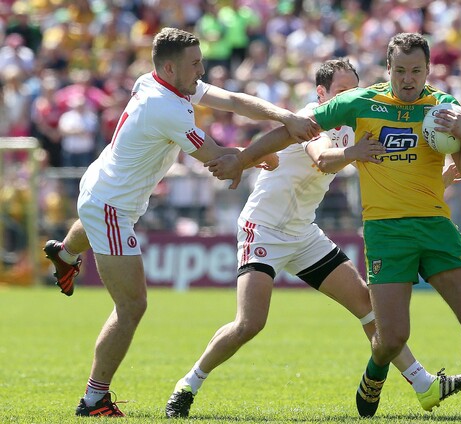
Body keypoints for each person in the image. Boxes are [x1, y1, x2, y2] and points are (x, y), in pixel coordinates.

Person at [209, 33, 461, 420]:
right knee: (392, 337)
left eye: (416, 71)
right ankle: (375, 371)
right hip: (386, 232)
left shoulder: (443, 108)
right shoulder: (360, 102)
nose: (408, 79)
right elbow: (294, 130)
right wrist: (243, 158)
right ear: (387, 69)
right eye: (400, 71)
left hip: (436, 226)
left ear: (428, 70)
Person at [42, 27, 319, 417]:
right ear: (170, 68)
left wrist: (284, 115)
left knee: (93, 223)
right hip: (111, 207)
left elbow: (231, 99)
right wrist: (255, 156)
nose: (201, 69)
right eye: (195, 64)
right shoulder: (166, 107)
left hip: (100, 184)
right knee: (132, 306)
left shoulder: (157, 82)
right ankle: (93, 400)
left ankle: (66, 254)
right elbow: (216, 159)